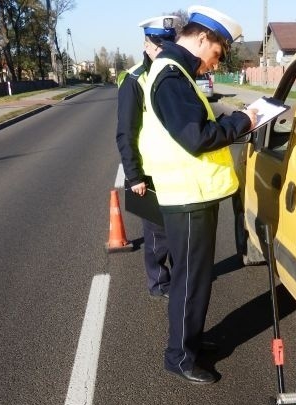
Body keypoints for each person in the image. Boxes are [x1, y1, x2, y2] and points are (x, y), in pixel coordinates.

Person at [138, 5, 258, 384]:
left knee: (196, 280)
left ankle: (189, 341)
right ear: (202, 38)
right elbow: (197, 137)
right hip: (186, 196)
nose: (214, 63)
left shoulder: (177, 73)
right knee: (191, 281)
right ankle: (180, 357)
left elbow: (198, 125)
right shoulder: (172, 77)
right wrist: (244, 121)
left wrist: (231, 119)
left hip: (192, 195)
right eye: (216, 54)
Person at [115, 15, 180, 300]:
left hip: (177, 168)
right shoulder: (133, 80)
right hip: (149, 170)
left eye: (168, 43)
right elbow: (125, 132)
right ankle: (159, 283)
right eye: (158, 44)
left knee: (177, 229)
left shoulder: (174, 72)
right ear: (147, 44)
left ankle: (179, 278)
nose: (163, 48)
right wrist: (134, 176)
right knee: (156, 234)